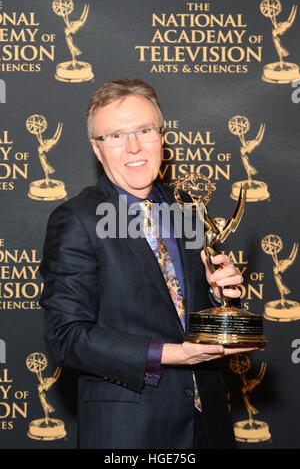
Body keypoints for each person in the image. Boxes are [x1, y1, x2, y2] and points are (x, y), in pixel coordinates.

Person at [39, 78, 256, 449]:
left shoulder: (186, 208)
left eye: (144, 130)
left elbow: (191, 314)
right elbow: (66, 337)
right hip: (130, 432)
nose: (135, 147)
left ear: (161, 135)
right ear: (97, 147)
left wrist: (221, 296)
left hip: (209, 426)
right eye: (117, 136)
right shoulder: (77, 219)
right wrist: (172, 355)